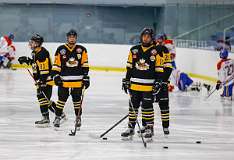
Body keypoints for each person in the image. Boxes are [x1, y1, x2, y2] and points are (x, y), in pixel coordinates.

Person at [121, 28, 164, 141]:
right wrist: (126, 80)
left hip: (148, 85)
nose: (145, 38)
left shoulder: (156, 51)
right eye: (144, 36)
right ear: (141, 37)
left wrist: (159, 81)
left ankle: (149, 127)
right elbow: (129, 67)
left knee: (147, 107)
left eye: (148, 36)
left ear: (151, 38)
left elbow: (159, 69)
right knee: (133, 107)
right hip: (134, 85)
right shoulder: (134, 50)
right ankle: (131, 128)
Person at [18, 34, 63, 127]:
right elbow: (36, 65)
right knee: (44, 99)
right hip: (43, 79)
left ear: (37, 43)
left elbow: (45, 70)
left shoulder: (42, 53)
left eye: (32, 42)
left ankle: (47, 118)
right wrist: (27, 60)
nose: (30, 43)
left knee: (42, 98)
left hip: (46, 80)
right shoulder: (35, 52)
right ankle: (60, 114)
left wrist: (41, 81)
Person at [52, 29, 90, 129]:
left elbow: (85, 64)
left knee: (77, 101)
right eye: (70, 37)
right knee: (61, 100)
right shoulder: (61, 49)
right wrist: (56, 76)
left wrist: (86, 76)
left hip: (78, 81)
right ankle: (57, 117)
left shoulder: (81, 49)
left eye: (74, 37)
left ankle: (78, 118)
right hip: (64, 80)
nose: (72, 39)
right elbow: (56, 64)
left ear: (76, 38)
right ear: (67, 38)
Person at [154, 33, 173, 135]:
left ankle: (165, 127)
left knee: (164, 106)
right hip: (152, 84)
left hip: (163, 83)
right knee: (147, 105)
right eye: (158, 39)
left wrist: (162, 80)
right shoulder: (152, 49)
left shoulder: (165, 50)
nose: (159, 41)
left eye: (161, 39)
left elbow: (169, 67)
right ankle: (147, 126)